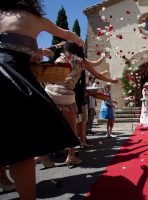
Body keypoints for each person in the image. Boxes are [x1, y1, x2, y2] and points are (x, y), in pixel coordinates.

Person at [0, 1, 84, 199]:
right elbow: (68, 34)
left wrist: (37, 53)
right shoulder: (37, 19)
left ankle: (3, 176)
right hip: (11, 78)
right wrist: (77, 40)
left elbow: (10, 46)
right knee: (23, 147)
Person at [45, 42, 118, 164]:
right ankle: (71, 156)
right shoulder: (81, 61)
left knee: (50, 125)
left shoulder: (60, 57)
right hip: (65, 93)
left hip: (49, 90)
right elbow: (97, 73)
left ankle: (43, 156)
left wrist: (102, 57)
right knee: (72, 126)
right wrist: (111, 80)